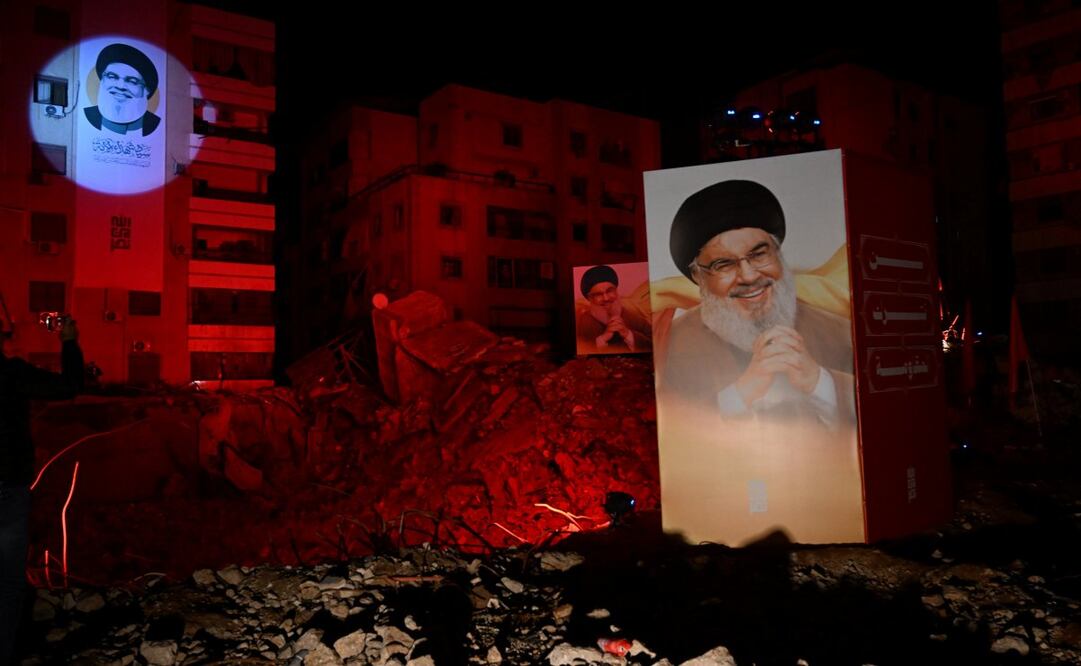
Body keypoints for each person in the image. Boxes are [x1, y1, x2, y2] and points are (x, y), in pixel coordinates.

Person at [660, 180, 854, 426]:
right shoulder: (670, 345)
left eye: (759, 254)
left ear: (778, 255)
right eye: (724, 264)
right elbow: (673, 431)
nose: (749, 276)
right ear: (699, 276)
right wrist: (741, 392)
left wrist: (818, 382)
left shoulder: (840, 333)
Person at [0, 319, 83, 664]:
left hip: (11, 490)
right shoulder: (11, 374)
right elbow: (69, 385)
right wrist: (69, 341)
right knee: (6, 585)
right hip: (8, 490)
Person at [83, 43, 161, 137]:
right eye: (112, 77)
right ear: (102, 81)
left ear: (146, 90)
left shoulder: (152, 124)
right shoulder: (89, 115)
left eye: (132, 81)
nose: (120, 86)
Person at [576, 265, 652, 354]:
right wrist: (602, 339)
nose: (606, 298)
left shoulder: (634, 316)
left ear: (616, 291)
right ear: (590, 298)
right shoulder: (581, 323)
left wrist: (628, 334)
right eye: (598, 294)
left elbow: (656, 345)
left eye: (609, 291)